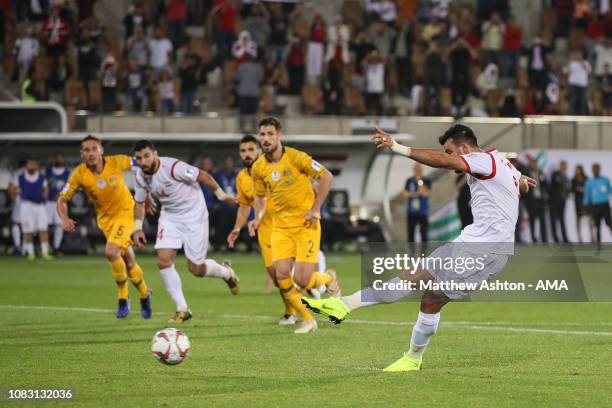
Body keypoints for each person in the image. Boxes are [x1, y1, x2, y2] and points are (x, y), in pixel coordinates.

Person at [302, 124, 536, 371]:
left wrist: (397, 147)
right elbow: (518, 184)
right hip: (468, 242)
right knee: (413, 275)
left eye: (449, 151)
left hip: (486, 250)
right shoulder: (502, 163)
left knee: (431, 298)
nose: (448, 156)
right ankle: (344, 305)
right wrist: (521, 182)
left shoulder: (481, 160)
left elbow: (444, 163)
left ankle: (413, 358)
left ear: (464, 148)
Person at [131, 140, 240, 323]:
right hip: (169, 217)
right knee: (163, 261)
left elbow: (203, 175)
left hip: (194, 216)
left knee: (196, 269)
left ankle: (226, 272)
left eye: (147, 156)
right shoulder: (141, 176)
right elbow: (140, 203)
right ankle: (182, 309)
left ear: (155, 154)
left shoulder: (173, 167)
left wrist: (222, 196)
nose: (143, 161)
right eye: (139, 158)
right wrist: (137, 228)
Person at [249, 117, 338, 334]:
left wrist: (316, 208)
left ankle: (329, 279)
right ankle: (308, 320)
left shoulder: (297, 157)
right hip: (280, 228)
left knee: (303, 279)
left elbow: (326, 176)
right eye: (262, 134)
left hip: (305, 224)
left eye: (270, 134)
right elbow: (260, 196)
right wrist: (258, 216)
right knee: (281, 277)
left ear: (279, 136)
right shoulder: (258, 167)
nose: (266, 138)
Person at [58, 135, 152, 319]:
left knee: (111, 252)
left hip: (127, 213)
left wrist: (145, 194)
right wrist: (64, 217)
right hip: (106, 221)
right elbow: (62, 198)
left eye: (94, 148)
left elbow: (143, 165)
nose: (91, 153)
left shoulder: (117, 161)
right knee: (129, 261)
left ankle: (123, 299)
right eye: (87, 150)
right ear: (82, 154)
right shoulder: (79, 174)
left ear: (101, 150)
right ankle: (144, 293)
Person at [8, 159, 53, 261]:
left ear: (37, 166)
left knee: (43, 229)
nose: (32, 166)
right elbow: (11, 189)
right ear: (26, 166)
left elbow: (45, 189)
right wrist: (18, 193)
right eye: (30, 165)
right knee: (28, 230)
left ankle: (45, 252)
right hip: (26, 206)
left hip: (39, 205)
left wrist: (44, 197)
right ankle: (30, 253)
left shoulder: (41, 177)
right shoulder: (20, 177)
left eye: (34, 165)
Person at [583, 163, 612, 250]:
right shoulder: (589, 182)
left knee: (609, 224)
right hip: (595, 206)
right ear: (592, 170)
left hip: (605, 205)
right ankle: (598, 245)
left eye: (597, 168)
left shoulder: (605, 180)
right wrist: (585, 207)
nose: (596, 170)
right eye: (594, 169)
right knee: (597, 225)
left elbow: (610, 190)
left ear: (599, 169)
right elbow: (587, 195)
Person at [45, 153, 70, 253]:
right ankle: (45, 248)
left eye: (61, 158)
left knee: (59, 225)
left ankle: (56, 248)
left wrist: (61, 195)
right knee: (44, 225)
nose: (59, 160)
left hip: (60, 203)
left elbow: (69, 188)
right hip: (48, 202)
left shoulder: (67, 173)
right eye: (57, 158)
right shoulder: (48, 171)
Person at [214, 156, 238, 251]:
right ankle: (220, 245)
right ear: (224, 164)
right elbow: (214, 189)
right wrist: (216, 202)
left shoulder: (237, 175)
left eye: (230, 162)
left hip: (234, 205)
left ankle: (232, 246)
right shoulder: (219, 175)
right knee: (221, 226)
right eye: (227, 162)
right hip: (222, 205)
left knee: (233, 226)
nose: (228, 164)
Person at [404, 163, 431, 242]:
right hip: (411, 211)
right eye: (415, 169)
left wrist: (420, 190)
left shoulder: (426, 180)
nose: (417, 170)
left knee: (423, 232)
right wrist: (415, 194)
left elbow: (426, 193)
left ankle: (424, 253)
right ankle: (412, 253)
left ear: (422, 169)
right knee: (410, 233)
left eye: (418, 168)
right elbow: (405, 194)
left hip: (423, 211)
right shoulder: (409, 180)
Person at [525, 158, 548, 242]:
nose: (534, 165)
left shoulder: (541, 173)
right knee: (532, 220)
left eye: (535, 164)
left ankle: (544, 238)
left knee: (542, 219)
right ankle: (533, 238)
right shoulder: (527, 174)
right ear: (530, 165)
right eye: (532, 164)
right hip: (531, 201)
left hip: (541, 200)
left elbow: (546, 185)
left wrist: (543, 178)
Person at [549, 161, 570, 243]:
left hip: (562, 201)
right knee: (553, 220)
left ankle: (565, 239)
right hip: (554, 201)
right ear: (560, 166)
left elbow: (567, 188)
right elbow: (555, 182)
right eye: (562, 166)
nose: (563, 168)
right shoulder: (555, 174)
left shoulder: (566, 176)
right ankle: (555, 239)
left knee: (562, 220)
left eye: (565, 166)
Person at [572, 164, 588, 243]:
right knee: (578, 218)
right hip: (577, 201)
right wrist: (577, 189)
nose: (577, 171)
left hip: (585, 201)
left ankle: (592, 236)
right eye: (576, 169)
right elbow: (572, 189)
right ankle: (579, 237)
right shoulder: (574, 179)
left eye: (578, 169)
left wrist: (583, 189)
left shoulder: (586, 178)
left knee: (589, 218)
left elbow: (588, 188)